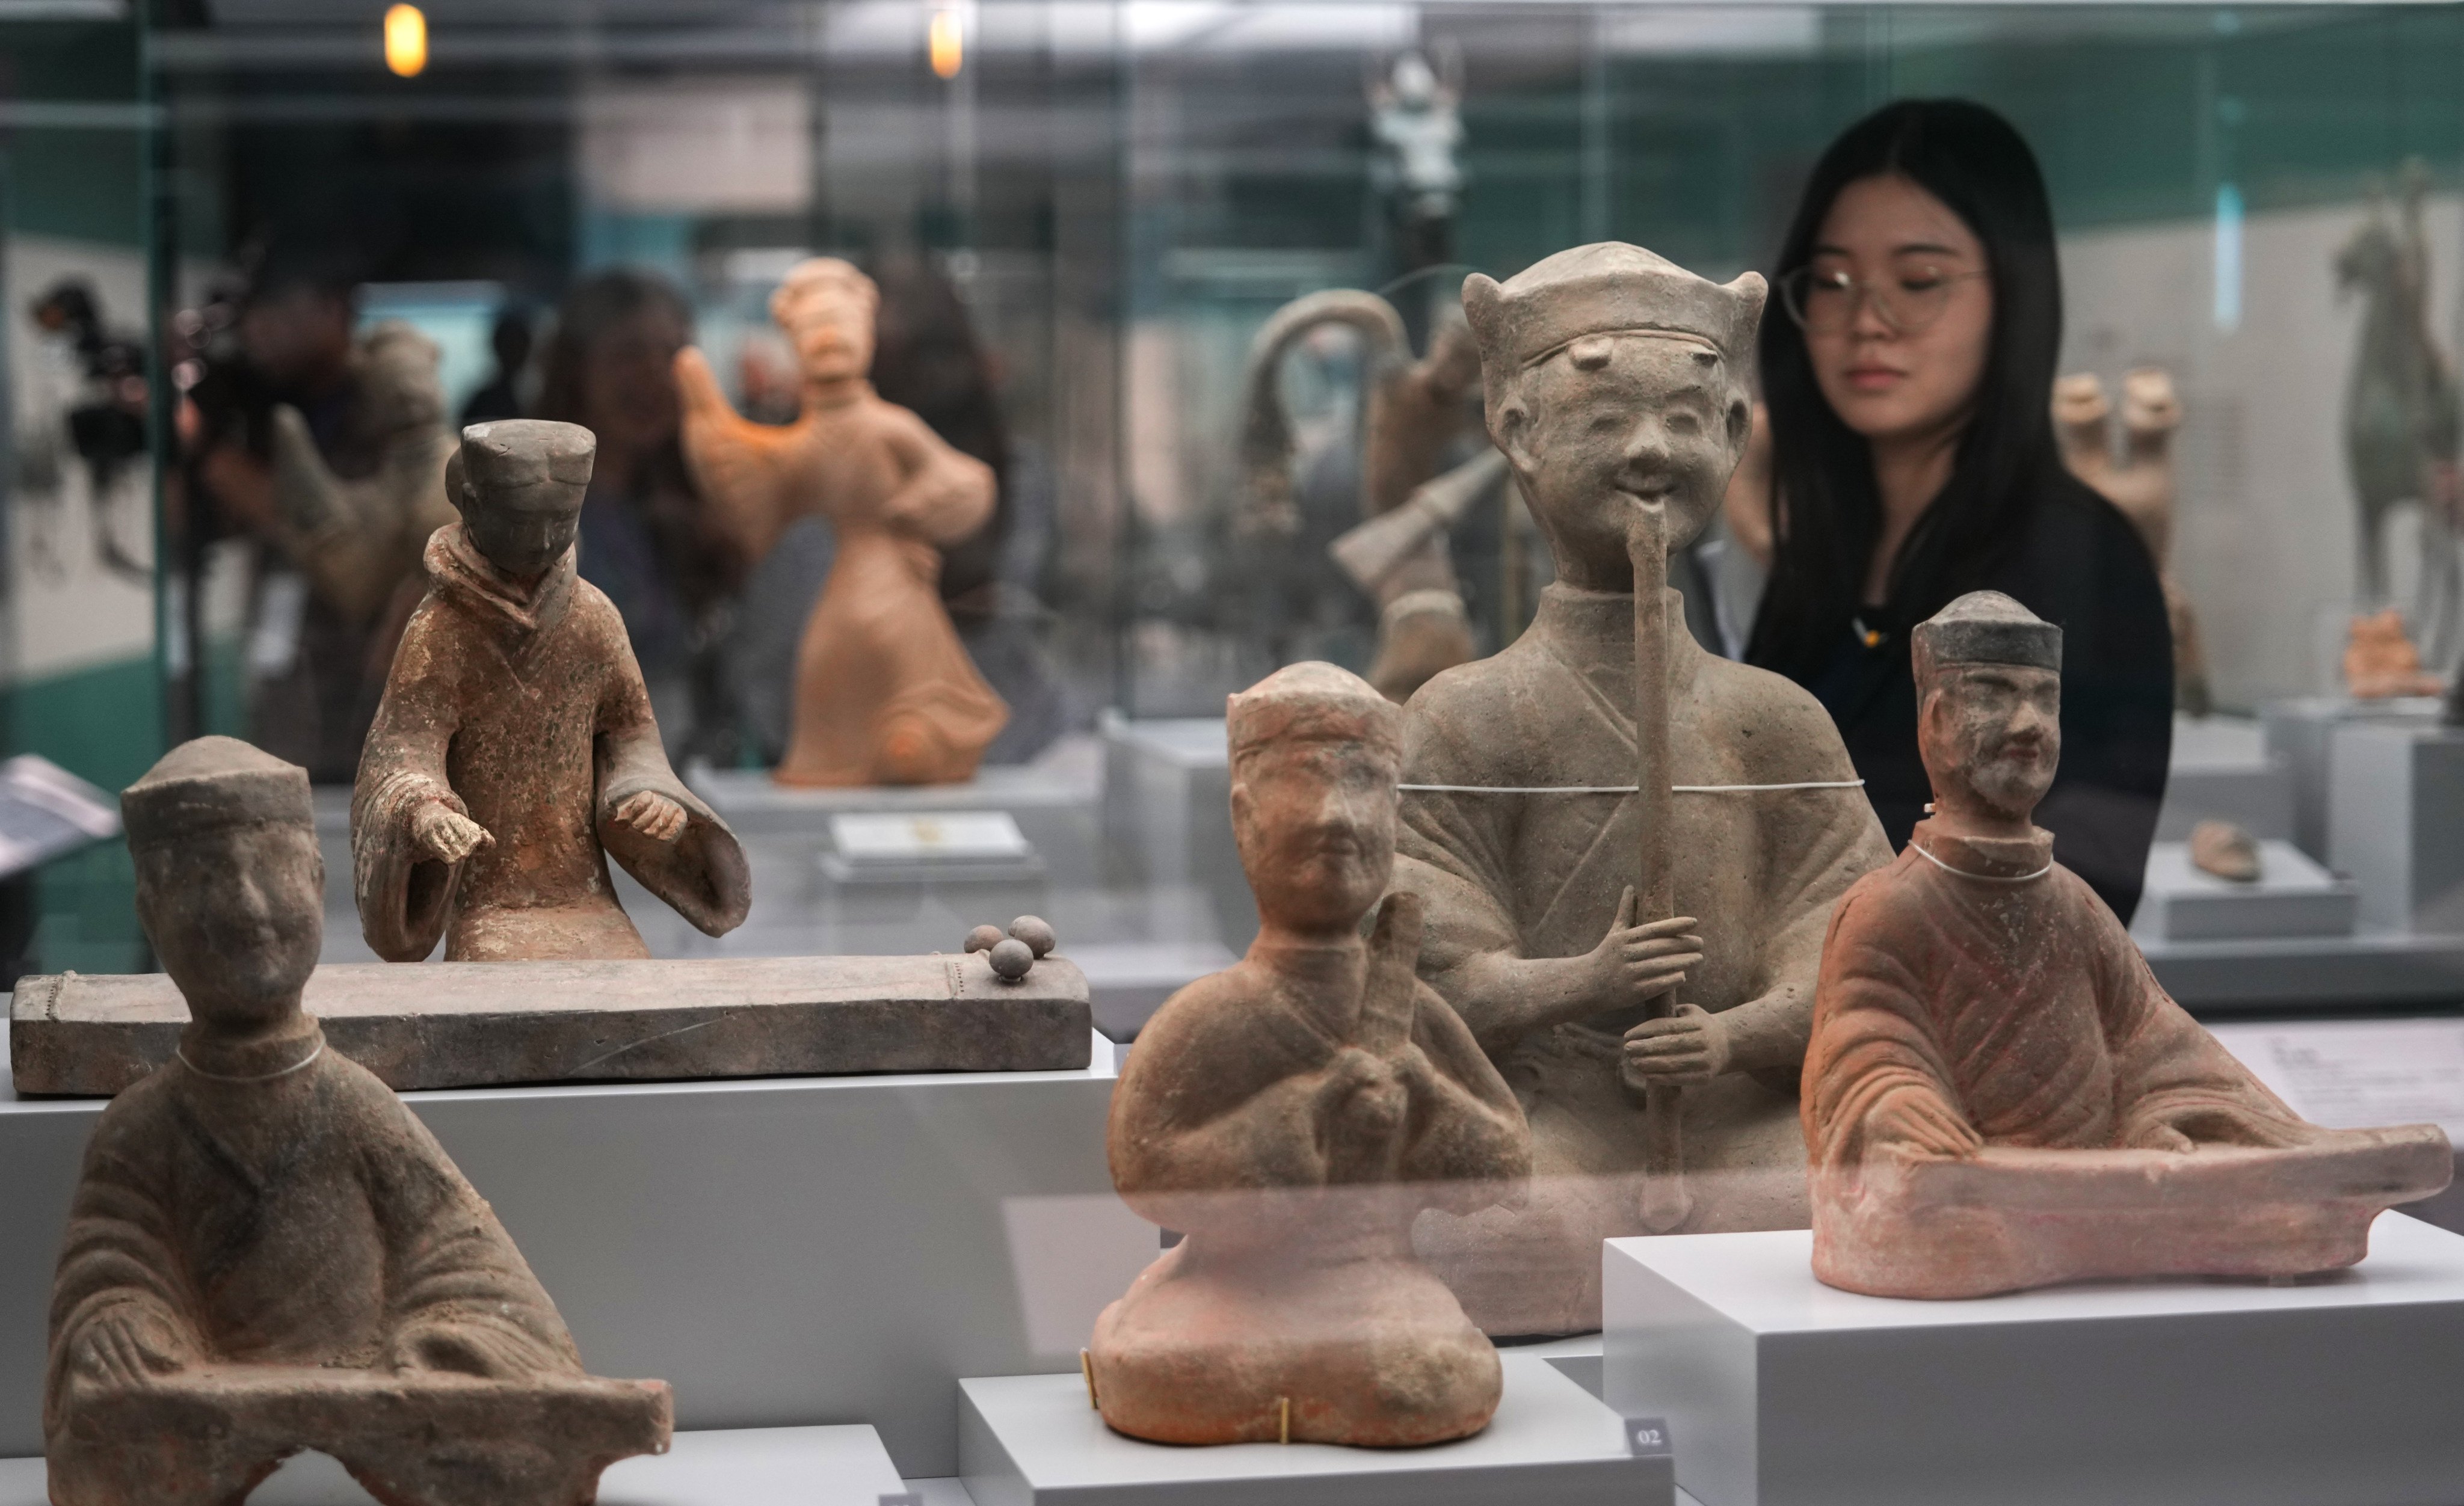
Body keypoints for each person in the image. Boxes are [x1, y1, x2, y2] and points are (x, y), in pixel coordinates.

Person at [1394, 244, 1891, 1336]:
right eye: (1607, 420)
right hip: (1555, 1110)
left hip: (1740, 1116)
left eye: (1683, 419)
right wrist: (1583, 980)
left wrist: (1738, 1036)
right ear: (1520, 433)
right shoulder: (1464, 716)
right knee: (1498, 1244)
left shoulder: (1776, 717)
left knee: (1853, 1213)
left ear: (1735, 431)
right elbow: (1424, 973)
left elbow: (1855, 941)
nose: (1652, 449)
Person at [48, 736, 670, 1504]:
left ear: (316, 881)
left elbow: (467, 1270)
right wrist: (124, 1326)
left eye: (272, 870)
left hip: (392, 1386)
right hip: (198, 1403)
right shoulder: (140, 1128)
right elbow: (112, 1271)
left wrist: (437, 1345)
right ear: (152, 913)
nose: (248, 908)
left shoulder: (355, 1103)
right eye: (205, 879)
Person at [1802, 593, 2450, 1299]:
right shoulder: (1887, 906)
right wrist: (1894, 1098)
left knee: (2234, 1190)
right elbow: (1865, 1046)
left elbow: (2153, 1040)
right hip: (1959, 1187)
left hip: (2084, 1179)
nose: (2028, 723)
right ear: (1935, 721)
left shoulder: (2071, 900)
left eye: (2045, 700)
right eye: (1995, 695)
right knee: (1938, 1215)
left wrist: (2241, 1129)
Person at [1741, 99, 2172, 923]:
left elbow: (2082, 886)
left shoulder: (2077, 553)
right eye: (1830, 283)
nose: (1866, 323)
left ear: (2012, 296)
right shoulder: (1825, 557)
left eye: (1919, 282)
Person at [1091, 662, 1527, 1446]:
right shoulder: (1210, 1016)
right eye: (1303, 781)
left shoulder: (1415, 1013)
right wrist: (1306, 1109)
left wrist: (1424, 1094)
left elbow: (1506, 1162)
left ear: (1395, 817)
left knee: (1431, 1375)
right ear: (1244, 815)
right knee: (1161, 1365)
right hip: (1229, 1283)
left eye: (1363, 784)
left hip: (1376, 1284)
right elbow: (1145, 1168)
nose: (1335, 817)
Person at [352, 420, 749, 962]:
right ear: (473, 504)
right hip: (492, 908)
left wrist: (647, 796)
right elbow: (403, 751)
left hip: (587, 898)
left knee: (630, 982)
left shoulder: (594, 617)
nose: (542, 541)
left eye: (560, 522)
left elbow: (631, 733)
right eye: (522, 521)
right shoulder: (440, 631)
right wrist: (424, 811)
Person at [535, 269, 744, 765]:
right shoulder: (535, 510)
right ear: (576, 368)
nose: (654, 376)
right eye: (629, 354)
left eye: (671, 355)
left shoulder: (687, 505)